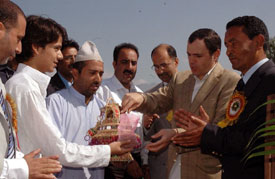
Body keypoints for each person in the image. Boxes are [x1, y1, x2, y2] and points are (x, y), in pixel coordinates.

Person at [5, 15, 132, 173]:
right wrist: (108, 150)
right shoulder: (26, 88)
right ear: (36, 47)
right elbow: (57, 150)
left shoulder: (25, 85)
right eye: (56, 49)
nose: (59, 56)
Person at [120, 28, 240, 179]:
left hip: (205, 172)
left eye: (198, 55)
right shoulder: (181, 79)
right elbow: (159, 99)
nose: (191, 61)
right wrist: (140, 98)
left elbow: (221, 130)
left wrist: (175, 134)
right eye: (189, 55)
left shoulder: (230, 81)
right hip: (175, 169)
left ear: (215, 55)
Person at [173, 16, 275, 179]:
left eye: (234, 43)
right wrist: (207, 128)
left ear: (258, 42)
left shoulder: (271, 80)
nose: (228, 51)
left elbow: (256, 140)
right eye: (227, 45)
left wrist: (206, 133)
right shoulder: (243, 83)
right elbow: (236, 133)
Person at [0, 1, 63, 178]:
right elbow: (56, 147)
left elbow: (8, 147)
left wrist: (27, 165)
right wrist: (23, 169)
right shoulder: (23, 87)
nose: (18, 49)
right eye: (18, 38)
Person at [47, 41, 109, 179]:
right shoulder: (56, 102)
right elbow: (55, 150)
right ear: (75, 73)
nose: (98, 79)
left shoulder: (103, 107)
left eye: (101, 74)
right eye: (92, 73)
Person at [97, 43, 146, 178]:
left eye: (133, 63)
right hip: (113, 162)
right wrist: (126, 159)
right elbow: (101, 133)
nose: (129, 67)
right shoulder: (102, 91)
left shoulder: (140, 94)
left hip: (136, 161)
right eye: (124, 62)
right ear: (114, 64)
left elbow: (141, 133)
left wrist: (144, 162)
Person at [143, 44, 178, 179]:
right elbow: (147, 137)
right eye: (156, 67)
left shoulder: (193, 89)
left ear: (176, 62)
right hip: (160, 169)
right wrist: (146, 125)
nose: (160, 71)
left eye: (164, 65)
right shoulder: (150, 95)